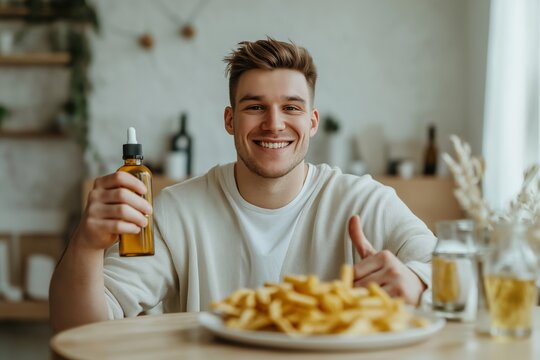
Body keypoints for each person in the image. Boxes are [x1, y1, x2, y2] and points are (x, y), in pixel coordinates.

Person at [50, 38, 436, 333]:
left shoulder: (365, 202)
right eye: (255, 107)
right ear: (230, 120)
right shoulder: (174, 211)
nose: (274, 124)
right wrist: (86, 243)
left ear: (313, 122)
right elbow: (80, 327)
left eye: (291, 107)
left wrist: (418, 282)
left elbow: (452, 267)